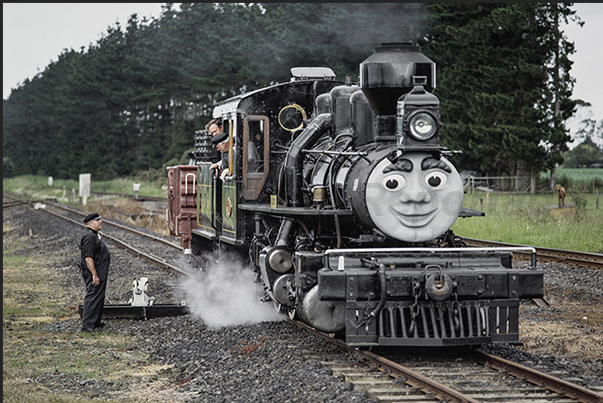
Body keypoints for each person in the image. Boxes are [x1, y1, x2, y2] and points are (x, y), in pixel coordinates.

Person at [79, 213, 111, 333]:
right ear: (91, 223)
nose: (101, 222)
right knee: (92, 296)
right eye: (98, 220)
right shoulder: (89, 237)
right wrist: (94, 274)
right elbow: (88, 257)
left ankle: (96, 321)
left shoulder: (94, 235)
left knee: (99, 296)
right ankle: (87, 325)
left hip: (99, 271)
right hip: (94, 272)